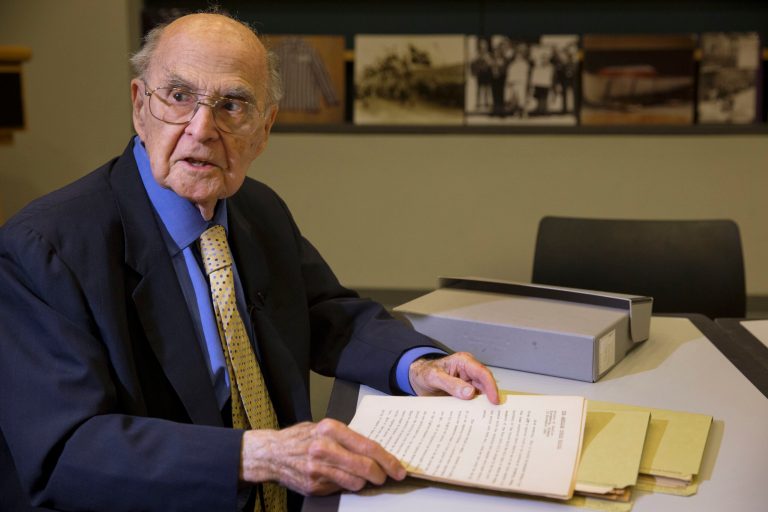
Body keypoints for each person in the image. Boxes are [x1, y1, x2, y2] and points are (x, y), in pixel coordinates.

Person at [0, 12, 499, 512]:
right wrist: (256, 455)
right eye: (178, 97)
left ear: (264, 127)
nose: (202, 129)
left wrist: (417, 365)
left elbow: (325, 310)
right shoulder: (43, 249)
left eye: (231, 105)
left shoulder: (258, 208)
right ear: (139, 106)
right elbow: (67, 450)